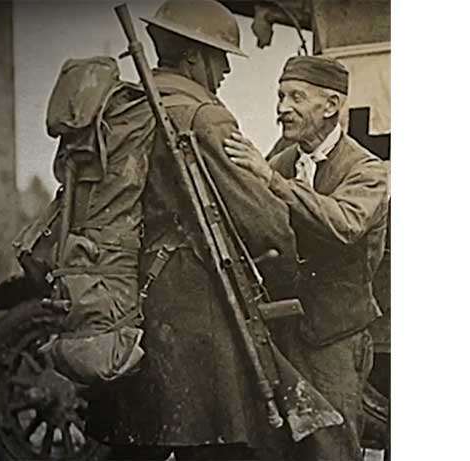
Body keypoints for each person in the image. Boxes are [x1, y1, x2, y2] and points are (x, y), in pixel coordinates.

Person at [87, 1, 300, 460]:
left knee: (140, 440)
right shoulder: (204, 117)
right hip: (198, 312)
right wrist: (296, 265)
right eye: (219, 55)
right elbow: (264, 220)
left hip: (132, 302)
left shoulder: (132, 106)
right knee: (216, 446)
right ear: (192, 56)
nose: (223, 69)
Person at [224, 55, 390, 461]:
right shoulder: (279, 163)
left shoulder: (367, 170)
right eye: (281, 96)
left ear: (331, 106)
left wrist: (269, 182)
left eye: (296, 97)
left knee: (333, 448)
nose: (282, 108)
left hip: (336, 337)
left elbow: (346, 224)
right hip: (283, 336)